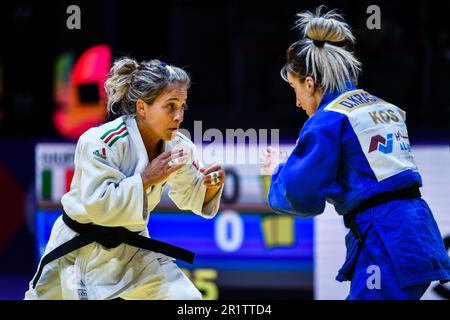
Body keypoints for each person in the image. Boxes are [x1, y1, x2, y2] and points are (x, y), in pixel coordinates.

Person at [267, 6, 450, 300]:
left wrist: (276, 170)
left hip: (385, 238)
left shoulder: (329, 119)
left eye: (295, 89)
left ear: (310, 84)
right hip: (417, 233)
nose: (298, 102)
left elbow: (299, 195)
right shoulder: (380, 106)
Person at [25, 58, 225, 300]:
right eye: (170, 106)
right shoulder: (102, 141)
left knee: (187, 299)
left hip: (133, 249)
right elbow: (98, 207)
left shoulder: (178, 147)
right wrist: (145, 179)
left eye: (182, 105)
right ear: (142, 107)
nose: (179, 116)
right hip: (82, 248)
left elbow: (191, 195)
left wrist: (210, 187)